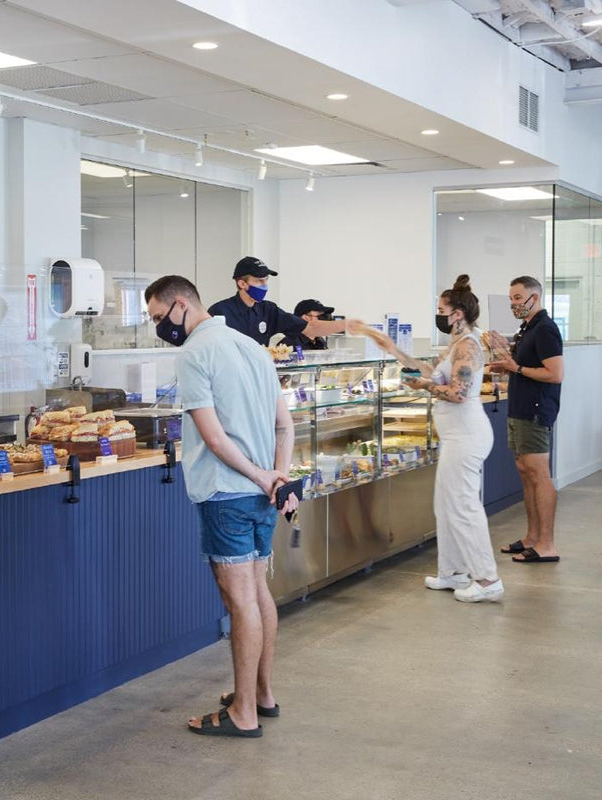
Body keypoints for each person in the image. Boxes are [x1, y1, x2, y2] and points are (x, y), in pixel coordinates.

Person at [144, 274, 299, 738]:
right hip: (262, 495)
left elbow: (213, 437)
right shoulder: (251, 345)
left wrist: (256, 475)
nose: (158, 326)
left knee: (240, 603)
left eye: (157, 317)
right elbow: (285, 427)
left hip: (226, 493)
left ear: (178, 306)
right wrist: (277, 477)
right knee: (258, 593)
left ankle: (243, 713)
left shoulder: (194, 353)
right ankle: (261, 695)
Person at [378, 275, 504, 602]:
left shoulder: (468, 346)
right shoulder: (454, 344)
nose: (437, 315)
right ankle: (453, 572)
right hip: (455, 436)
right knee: (445, 506)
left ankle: (487, 580)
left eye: (440, 309)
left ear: (457, 313)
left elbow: (458, 393)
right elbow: (426, 368)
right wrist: (394, 350)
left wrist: (424, 388)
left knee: (463, 507)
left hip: (466, 435)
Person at [489, 276, 563, 564]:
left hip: (535, 411)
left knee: (539, 475)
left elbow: (555, 374)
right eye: (511, 299)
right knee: (525, 471)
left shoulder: (545, 329)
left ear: (535, 297)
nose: (513, 304)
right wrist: (506, 360)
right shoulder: (527, 328)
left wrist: (515, 366)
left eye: (518, 298)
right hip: (519, 409)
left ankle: (547, 544)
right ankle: (532, 537)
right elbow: (523, 367)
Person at [208, 256, 355, 345]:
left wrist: (345, 325)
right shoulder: (220, 311)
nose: (264, 285)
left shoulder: (268, 310)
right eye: (259, 281)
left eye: (266, 280)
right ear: (242, 283)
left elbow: (310, 328)